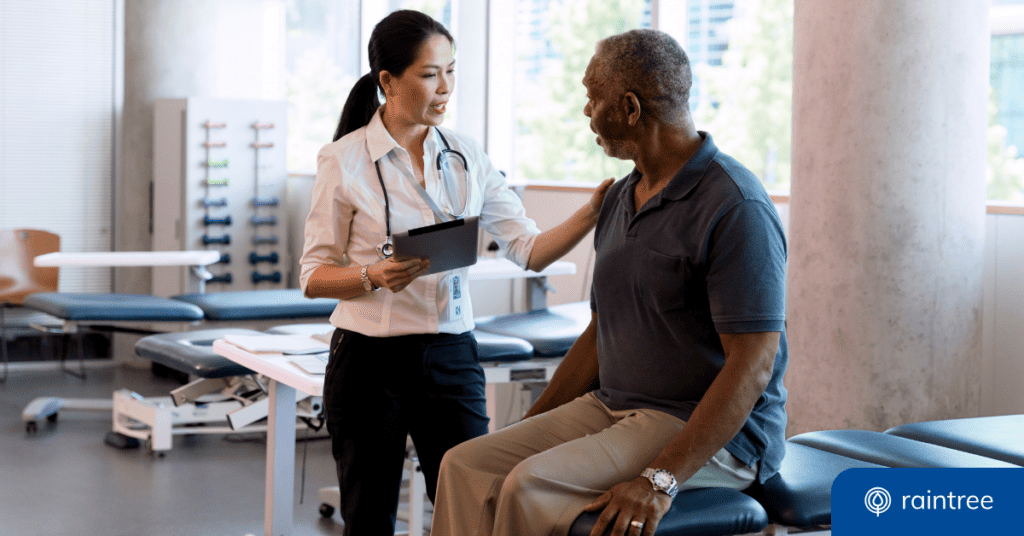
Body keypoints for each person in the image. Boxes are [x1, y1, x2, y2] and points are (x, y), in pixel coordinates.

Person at [430, 28, 789, 536]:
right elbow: (601, 333)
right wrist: (533, 426)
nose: (585, 112)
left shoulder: (735, 206)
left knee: (527, 485)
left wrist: (661, 480)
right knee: (466, 465)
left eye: (591, 98)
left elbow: (752, 367)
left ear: (630, 108)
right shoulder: (621, 198)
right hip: (613, 407)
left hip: (702, 427)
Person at [299, 9, 612, 536]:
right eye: (428, 74)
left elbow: (528, 250)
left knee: (474, 507)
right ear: (388, 82)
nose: (444, 88)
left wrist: (590, 212)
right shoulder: (344, 159)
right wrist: (373, 276)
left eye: (451, 71)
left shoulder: (466, 154)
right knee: (369, 517)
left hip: (451, 355)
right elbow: (313, 275)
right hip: (369, 360)